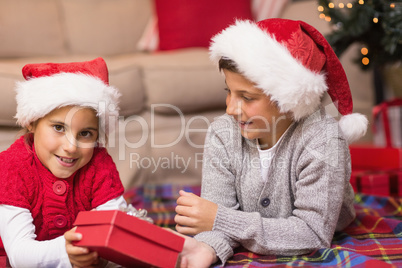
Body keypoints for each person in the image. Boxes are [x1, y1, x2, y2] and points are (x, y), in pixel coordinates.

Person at [175, 18, 368, 267]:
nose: (231, 108)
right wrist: (208, 247)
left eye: (247, 97)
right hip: (250, 227)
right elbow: (215, 216)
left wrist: (221, 220)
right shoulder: (222, 133)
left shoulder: (323, 138)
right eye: (228, 92)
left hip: (312, 230)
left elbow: (312, 233)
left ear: (289, 99)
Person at [0, 57, 127, 268]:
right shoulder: (12, 167)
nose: (71, 147)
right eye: (59, 128)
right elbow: (20, 255)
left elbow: (116, 223)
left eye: (85, 133)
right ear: (32, 122)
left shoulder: (98, 164)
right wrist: (69, 251)